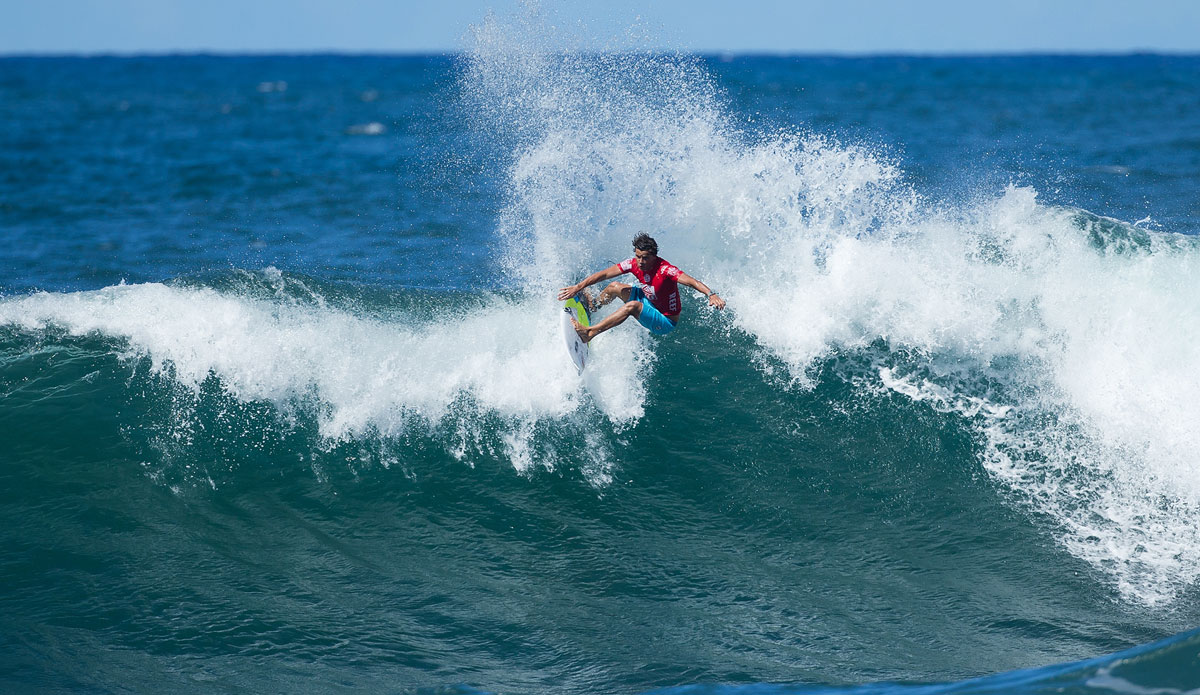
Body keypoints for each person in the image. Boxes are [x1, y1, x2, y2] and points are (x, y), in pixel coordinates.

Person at [556, 233, 726, 344]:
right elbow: (606, 274)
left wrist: (711, 294)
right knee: (614, 287)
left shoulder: (666, 270)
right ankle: (593, 305)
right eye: (638, 257)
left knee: (632, 306)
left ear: (654, 257)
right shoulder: (634, 264)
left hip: (665, 320)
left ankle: (590, 333)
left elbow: (692, 282)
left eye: (645, 258)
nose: (640, 262)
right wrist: (578, 287)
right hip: (648, 300)